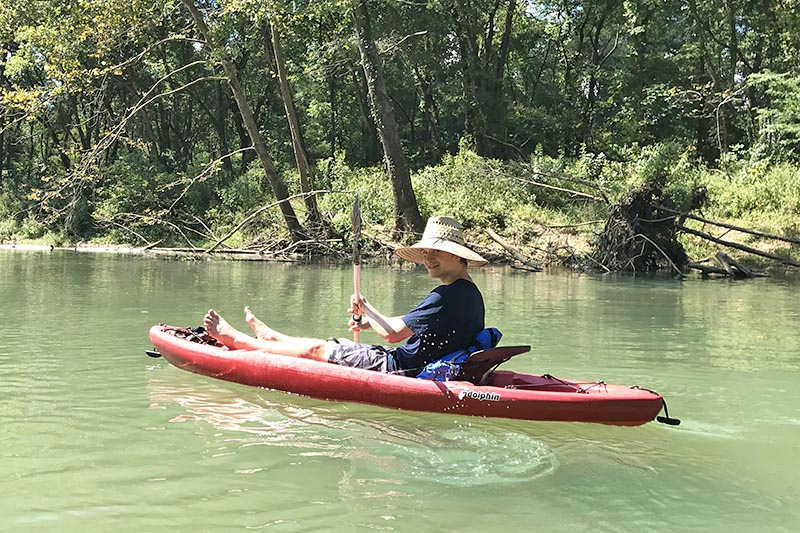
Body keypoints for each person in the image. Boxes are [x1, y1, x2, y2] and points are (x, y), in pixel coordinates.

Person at [203, 216, 487, 376]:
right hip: (406, 361)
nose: (427, 259)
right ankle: (272, 338)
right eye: (424, 252)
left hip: (400, 368)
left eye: (434, 252)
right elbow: (407, 325)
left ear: (456, 256)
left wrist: (366, 306)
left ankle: (237, 340)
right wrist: (368, 322)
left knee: (318, 350)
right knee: (331, 344)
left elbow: (392, 334)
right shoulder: (469, 294)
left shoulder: (446, 296)